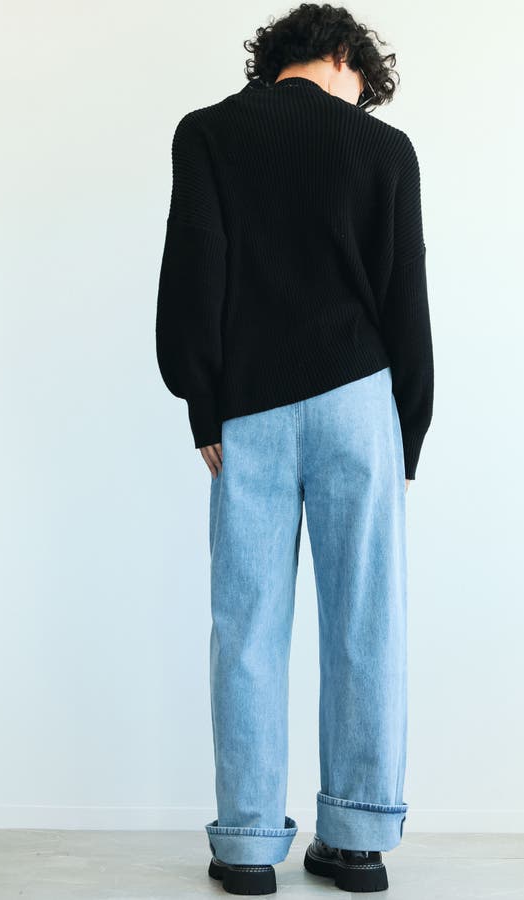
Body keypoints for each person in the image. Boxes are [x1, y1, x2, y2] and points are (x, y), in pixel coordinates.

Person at [155, 3, 434, 894]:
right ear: (343, 57)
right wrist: (408, 433)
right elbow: (405, 300)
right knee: (366, 621)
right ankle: (356, 843)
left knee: (246, 625)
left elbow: (192, 272)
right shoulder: (385, 151)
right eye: (362, 86)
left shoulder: (207, 133)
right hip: (361, 405)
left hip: (248, 411)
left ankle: (245, 847)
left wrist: (203, 404)